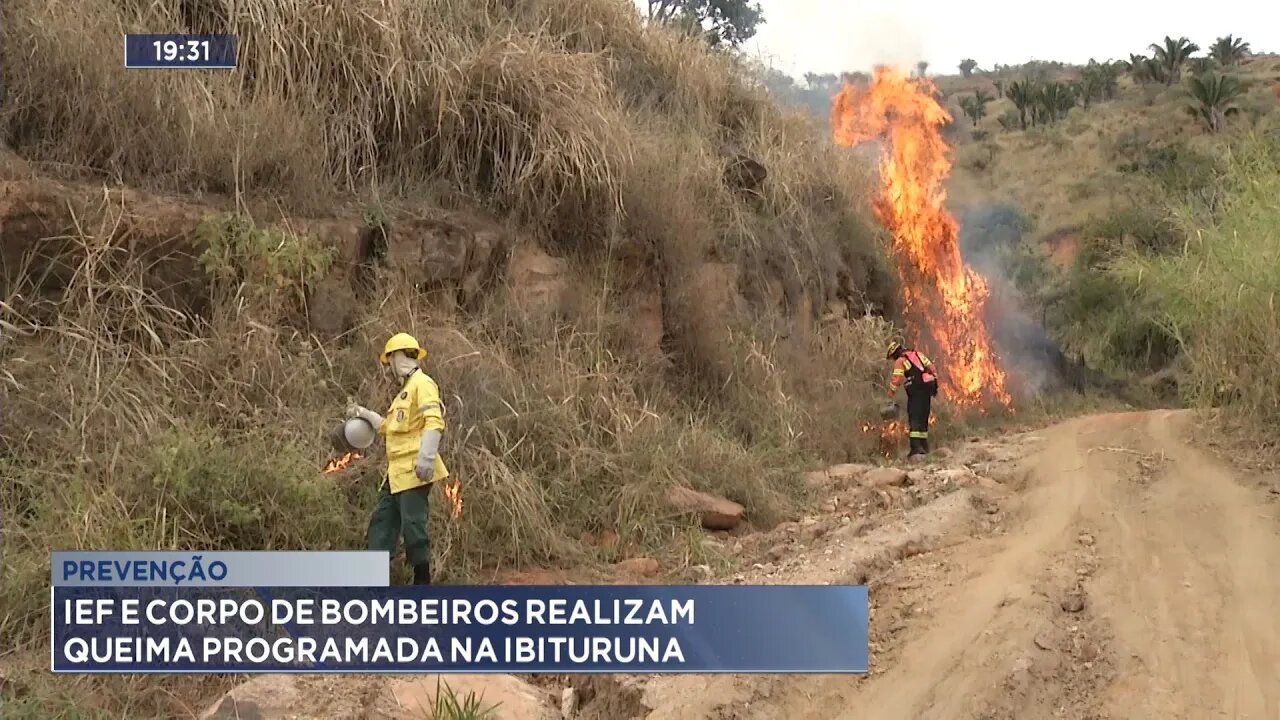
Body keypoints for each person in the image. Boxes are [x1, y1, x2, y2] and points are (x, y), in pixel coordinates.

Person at [346, 332, 450, 585]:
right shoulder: (404, 392)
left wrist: (426, 457)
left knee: (414, 526)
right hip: (395, 474)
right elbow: (390, 428)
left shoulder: (423, 384)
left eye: (390, 359)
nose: (389, 366)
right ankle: (374, 583)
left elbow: (434, 421)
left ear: (399, 356)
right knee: (382, 524)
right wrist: (365, 414)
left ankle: (421, 582)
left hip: (415, 471)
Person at [886, 340, 939, 457]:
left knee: (914, 416)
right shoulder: (918, 354)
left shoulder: (901, 361)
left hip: (916, 391)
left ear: (894, 354)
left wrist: (890, 393)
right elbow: (932, 368)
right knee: (923, 416)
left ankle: (916, 448)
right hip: (927, 389)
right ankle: (924, 446)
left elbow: (897, 379)